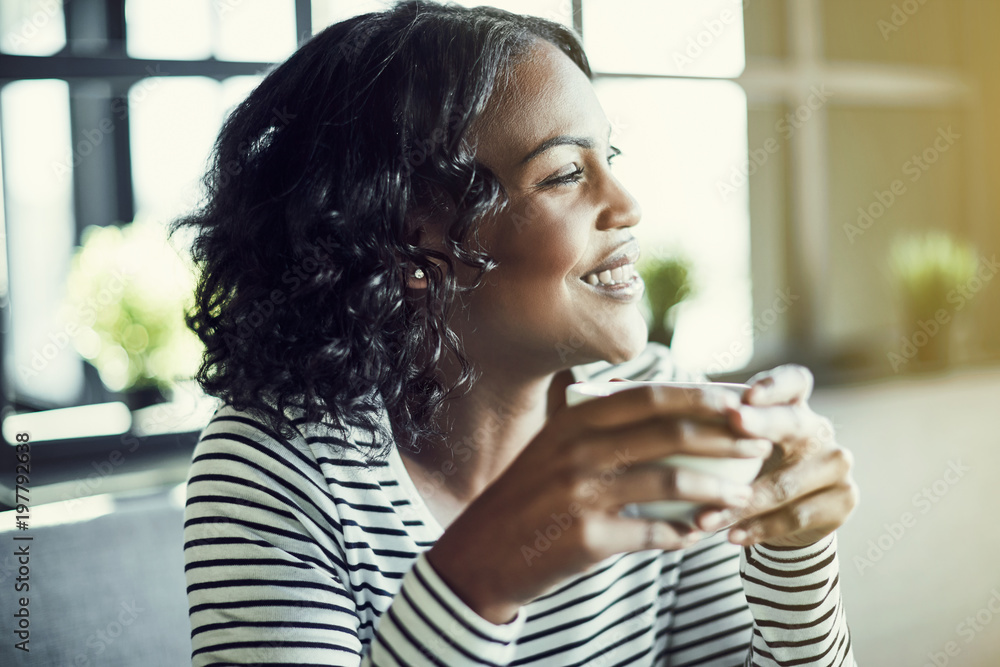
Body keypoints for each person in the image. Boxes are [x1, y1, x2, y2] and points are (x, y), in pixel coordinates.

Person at [175, 2, 860, 665]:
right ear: (414, 244)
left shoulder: (658, 404)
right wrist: (479, 579)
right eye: (565, 173)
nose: (627, 204)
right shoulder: (278, 467)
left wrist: (793, 553)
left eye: (609, 157)